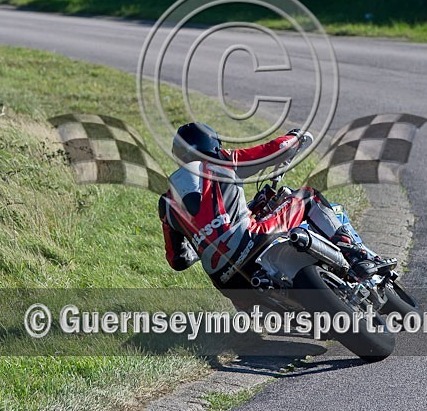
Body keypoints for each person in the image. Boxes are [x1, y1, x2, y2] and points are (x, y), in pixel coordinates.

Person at [158, 122, 394, 290]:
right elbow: (271, 152)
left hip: (226, 281)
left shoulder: (166, 203)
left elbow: (177, 260)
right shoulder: (219, 162)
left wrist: (206, 239)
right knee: (307, 197)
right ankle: (356, 254)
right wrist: (296, 137)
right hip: (253, 240)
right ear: (212, 146)